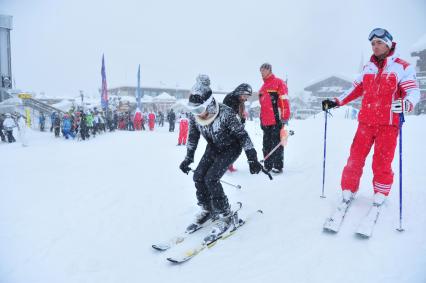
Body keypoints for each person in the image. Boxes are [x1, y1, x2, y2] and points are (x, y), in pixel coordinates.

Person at [322, 28, 420, 209]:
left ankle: (381, 192)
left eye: (379, 43)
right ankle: (348, 189)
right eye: (373, 43)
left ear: (388, 44)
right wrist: (336, 101)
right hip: (366, 122)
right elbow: (355, 89)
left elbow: (413, 91)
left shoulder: (402, 67)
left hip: (388, 124)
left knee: (382, 161)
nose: (375, 46)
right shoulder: (369, 67)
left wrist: (406, 103)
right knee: (355, 158)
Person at [179, 74, 263, 241]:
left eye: (200, 109)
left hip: (231, 148)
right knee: (198, 176)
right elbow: (193, 137)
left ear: (209, 104)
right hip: (214, 147)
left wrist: (252, 158)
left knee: (211, 179)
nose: (198, 114)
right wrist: (188, 157)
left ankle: (225, 214)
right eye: (194, 110)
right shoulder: (196, 118)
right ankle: (208, 208)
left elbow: (243, 135)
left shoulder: (225, 113)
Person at [258, 63, 291, 174]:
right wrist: (261, 119)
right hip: (265, 122)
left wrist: (285, 116)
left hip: (276, 120)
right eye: (261, 70)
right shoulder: (262, 87)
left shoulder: (278, 82)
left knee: (276, 143)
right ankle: (267, 165)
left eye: (264, 70)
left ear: (269, 70)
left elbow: (284, 100)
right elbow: (263, 106)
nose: (262, 72)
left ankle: (277, 166)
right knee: (266, 144)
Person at [223, 83, 253, 172]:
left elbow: (241, 112)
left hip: (235, 125)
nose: (246, 98)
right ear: (240, 92)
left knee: (234, 145)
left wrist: (242, 119)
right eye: (245, 96)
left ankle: (229, 164)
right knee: (229, 146)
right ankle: (225, 165)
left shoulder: (240, 100)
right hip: (227, 126)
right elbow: (228, 114)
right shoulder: (230, 98)